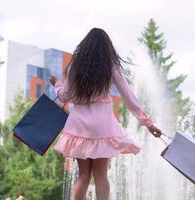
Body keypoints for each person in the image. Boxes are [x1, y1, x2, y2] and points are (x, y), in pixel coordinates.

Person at [49, 28, 162, 200]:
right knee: (101, 175)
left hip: (79, 125)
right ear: (106, 47)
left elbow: (65, 96)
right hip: (102, 125)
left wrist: (57, 84)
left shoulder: (75, 65)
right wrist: (147, 122)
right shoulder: (109, 65)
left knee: (83, 175)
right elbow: (128, 96)